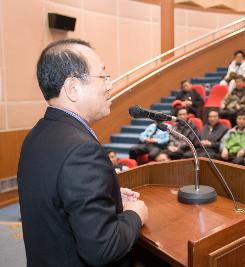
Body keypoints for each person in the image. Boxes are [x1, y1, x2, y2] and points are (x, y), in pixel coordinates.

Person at [17, 39, 148, 267]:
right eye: (103, 77)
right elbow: (101, 248)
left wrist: (112, 198)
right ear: (72, 88)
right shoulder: (81, 149)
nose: (110, 86)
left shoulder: (36, 135)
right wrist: (134, 214)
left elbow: (58, 202)